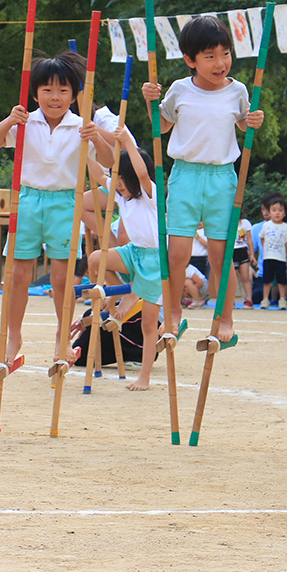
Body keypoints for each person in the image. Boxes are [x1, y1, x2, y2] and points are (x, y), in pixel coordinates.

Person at [141, 15, 264, 342]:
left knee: (220, 255)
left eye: (225, 53)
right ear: (190, 60)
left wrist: (254, 120)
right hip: (184, 177)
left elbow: (243, 123)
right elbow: (162, 126)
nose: (220, 62)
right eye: (209, 56)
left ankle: (226, 318)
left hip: (223, 178)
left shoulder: (237, 89)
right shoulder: (179, 89)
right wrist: (150, 101)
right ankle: (175, 315)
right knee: (177, 253)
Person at [0, 51, 112, 363]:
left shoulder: (81, 126)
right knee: (18, 274)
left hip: (65, 203)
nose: (54, 97)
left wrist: (98, 137)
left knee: (61, 277)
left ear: (74, 95)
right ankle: (14, 336)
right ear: (36, 93)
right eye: (47, 90)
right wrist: (9, 120)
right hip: (27, 200)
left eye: (63, 90)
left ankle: (61, 337)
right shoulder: (26, 121)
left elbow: (109, 162)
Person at [86, 130, 162, 391]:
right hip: (134, 252)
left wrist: (129, 141)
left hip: (155, 261)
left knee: (149, 324)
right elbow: (98, 175)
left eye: (123, 179)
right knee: (96, 258)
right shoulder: (121, 195)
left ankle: (144, 376)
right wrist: (85, 148)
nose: (118, 184)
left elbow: (141, 174)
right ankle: (128, 290)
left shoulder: (152, 195)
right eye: (117, 178)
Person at [259, 196, 287, 309]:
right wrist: (266, 248)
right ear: (269, 212)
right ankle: (265, 299)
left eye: (280, 210)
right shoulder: (266, 225)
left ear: (284, 213)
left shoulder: (285, 227)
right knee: (267, 280)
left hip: (281, 259)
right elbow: (262, 237)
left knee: (281, 280)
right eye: (274, 210)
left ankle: (282, 300)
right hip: (268, 258)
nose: (277, 213)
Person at [232, 213, 257, 308]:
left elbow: (249, 240)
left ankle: (249, 299)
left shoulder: (246, 223)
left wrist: (252, 254)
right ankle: (231, 300)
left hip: (242, 250)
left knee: (245, 277)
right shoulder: (227, 223)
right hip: (232, 251)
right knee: (232, 278)